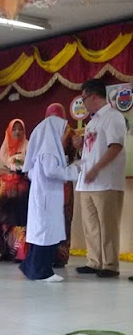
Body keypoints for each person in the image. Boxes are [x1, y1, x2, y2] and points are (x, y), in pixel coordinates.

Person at [75, 79, 126, 278]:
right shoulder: (93, 121)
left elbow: (116, 146)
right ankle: (94, 261)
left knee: (108, 225)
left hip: (106, 182)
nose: (83, 103)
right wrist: (79, 145)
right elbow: (92, 148)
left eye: (84, 99)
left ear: (94, 96)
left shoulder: (113, 117)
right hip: (87, 182)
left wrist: (96, 169)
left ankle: (110, 265)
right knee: (91, 226)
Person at [19, 115, 80, 282]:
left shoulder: (44, 150)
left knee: (44, 234)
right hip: (46, 200)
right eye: (64, 131)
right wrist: (74, 169)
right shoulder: (49, 151)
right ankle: (42, 272)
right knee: (45, 235)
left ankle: (31, 267)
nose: (65, 136)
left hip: (45, 198)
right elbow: (51, 171)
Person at [44, 103, 77, 267]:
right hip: (48, 184)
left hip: (64, 183)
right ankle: (47, 255)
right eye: (51, 117)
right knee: (48, 220)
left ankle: (60, 257)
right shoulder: (43, 134)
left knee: (64, 219)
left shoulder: (70, 133)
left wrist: (70, 143)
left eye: (57, 117)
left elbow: (75, 157)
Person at [0, 119, 30, 262]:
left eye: (20, 129)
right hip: (5, 189)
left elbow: (31, 164)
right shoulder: (4, 148)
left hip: (21, 189)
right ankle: (3, 252)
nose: (17, 132)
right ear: (9, 131)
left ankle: (20, 253)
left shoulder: (28, 145)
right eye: (14, 129)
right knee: (4, 220)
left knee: (20, 219)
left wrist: (20, 168)